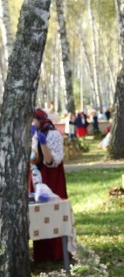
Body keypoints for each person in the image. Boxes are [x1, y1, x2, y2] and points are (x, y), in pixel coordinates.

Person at [30, 108, 68, 263]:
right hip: (37, 176)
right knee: (37, 213)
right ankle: (42, 254)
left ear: (39, 120)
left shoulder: (52, 134)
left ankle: (57, 252)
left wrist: (42, 142)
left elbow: (52, 162)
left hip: (52, 177)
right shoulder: (30, 134)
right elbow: (32, 158)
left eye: (32, 120)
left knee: (54, 210)